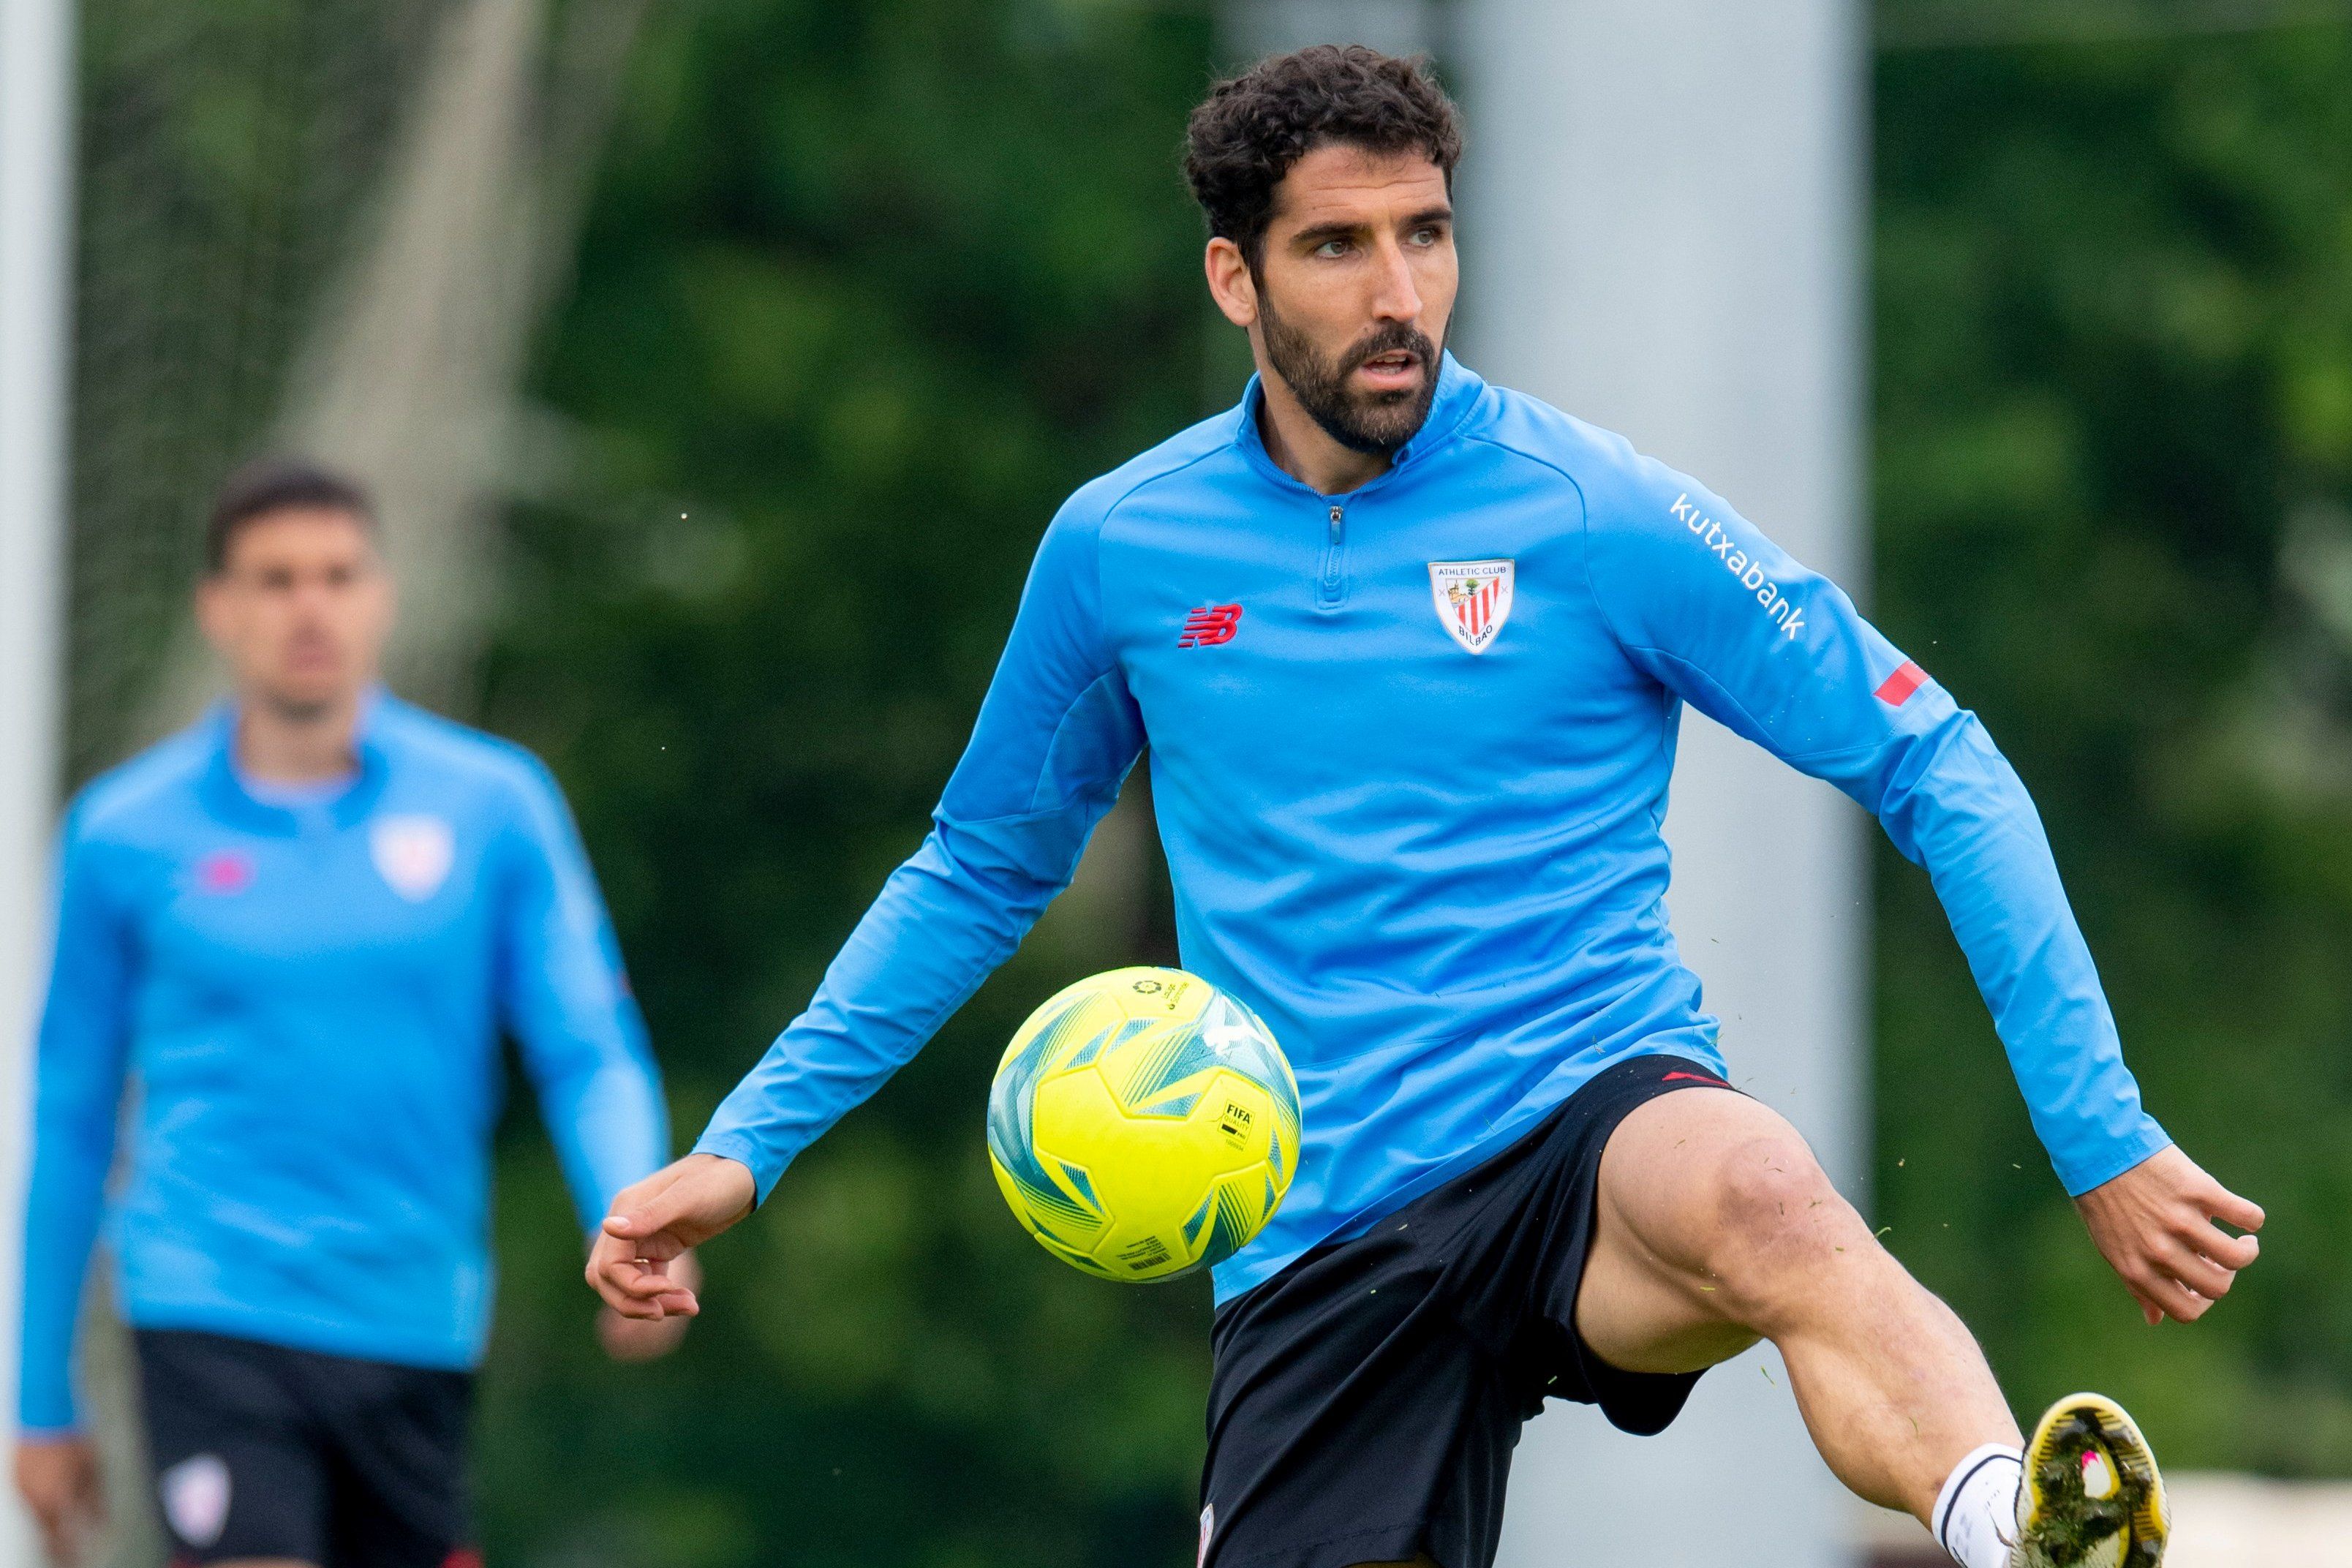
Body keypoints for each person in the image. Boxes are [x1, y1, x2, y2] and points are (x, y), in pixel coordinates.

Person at [585, 46, 2261, 1568]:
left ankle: (2014, 1533)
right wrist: (746, 1146)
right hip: (1311, 1223)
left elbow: (1934, 757)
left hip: (1583, 1124)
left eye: (1427, 235)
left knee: (1765, 1195)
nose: (1402, 293)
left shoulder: (1593, 508)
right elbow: (977, 867)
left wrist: (2099, 1130)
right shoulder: (1122, 546)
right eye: (1339, 247)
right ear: (1235, 276)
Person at [15, 460, 686, 1568]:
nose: (309, 606)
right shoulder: (124, 834)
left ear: (381, 593)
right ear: (217, 608)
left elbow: (586, 1047)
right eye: (275, 580)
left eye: (337, 574)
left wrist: (634, 1217)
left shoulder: (494, 805)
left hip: (415, 1317)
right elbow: (71, 1113)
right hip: (209, 1303)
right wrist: (40, 1399)